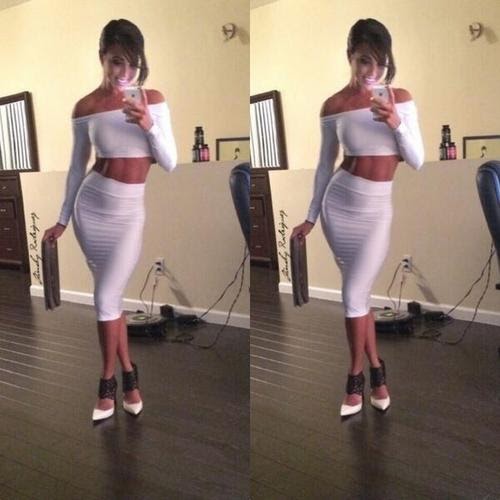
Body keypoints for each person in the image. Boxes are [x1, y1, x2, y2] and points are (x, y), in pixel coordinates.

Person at [43, 19, 177, 422]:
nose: (125, 72)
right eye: (117, 61)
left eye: (133, 63)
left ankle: (107, 382)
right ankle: (129, 377)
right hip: (90, 209)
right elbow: (75, 167)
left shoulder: (152, 99)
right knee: (110, 300)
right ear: (102, 56)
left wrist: (147, 123)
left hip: (128, 213)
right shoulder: (85, 108)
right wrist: (63, 219)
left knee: (105, 298)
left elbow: (169, 162)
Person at [291, 18, 424, 417]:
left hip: (376, 210)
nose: (372, 70)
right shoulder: (333, 106)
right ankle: (376, 373)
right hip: (339, 206)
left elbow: (416, 159)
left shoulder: (400, 98)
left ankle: (356, 375)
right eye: (365, 59)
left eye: (380, 62)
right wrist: (311, 216)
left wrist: (395, 122)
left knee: (353, 295)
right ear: (350, 56)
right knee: (358, 296)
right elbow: (324, 165)